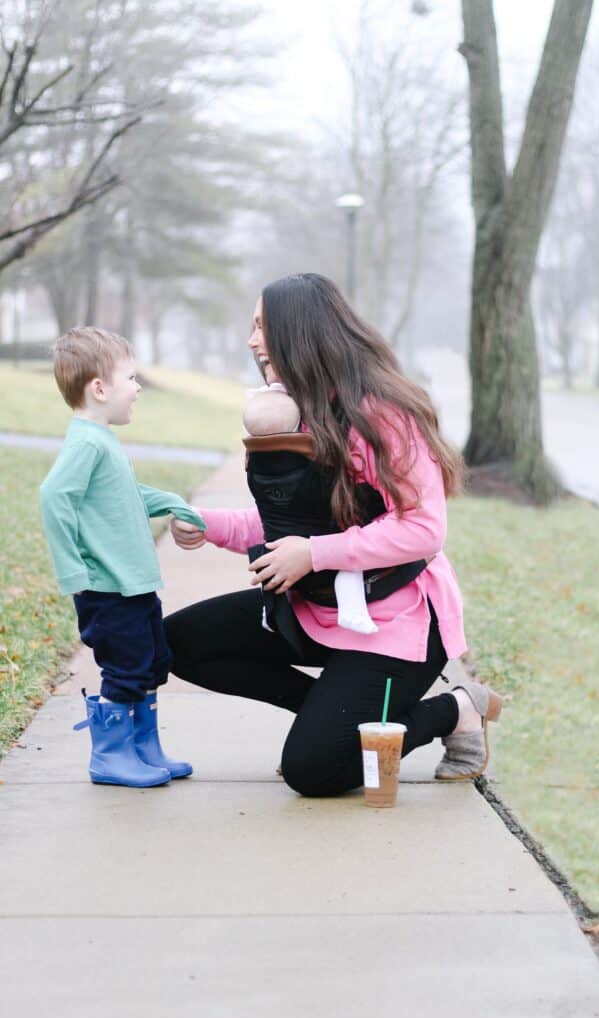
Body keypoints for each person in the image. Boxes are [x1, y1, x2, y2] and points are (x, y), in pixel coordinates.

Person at [166, 274, 503, 797]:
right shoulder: (297, 411)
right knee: (176, 644)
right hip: (319, 610)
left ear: (299, 332)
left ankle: (454, 709)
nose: (254, 340)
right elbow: (293, 528)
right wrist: (210, 525)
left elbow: (423, 529)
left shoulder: (383, 415)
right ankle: (338, 722)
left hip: (397, 621)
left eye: (262, 326)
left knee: (314, 772)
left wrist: (315, 554)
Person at [39, 326, 206, 788]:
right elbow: (54, 497)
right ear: (99, 388)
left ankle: (143, 748)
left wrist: (171, 501)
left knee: (151, 662)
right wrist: (72, 570)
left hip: (133, 585)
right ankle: (111, 757)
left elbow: (122, 497)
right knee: (126, 668)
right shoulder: (87, 442)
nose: (137, 389)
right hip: (106, 588)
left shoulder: (103, 440)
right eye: (130, 379)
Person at [242, 381, 379, 634]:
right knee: (349, 567)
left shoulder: (254, 464)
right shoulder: (306, 454)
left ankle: (268, 610)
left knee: (271, 564)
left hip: (277, 538)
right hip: (321, 538)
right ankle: (353, 609)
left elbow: (258, 517)